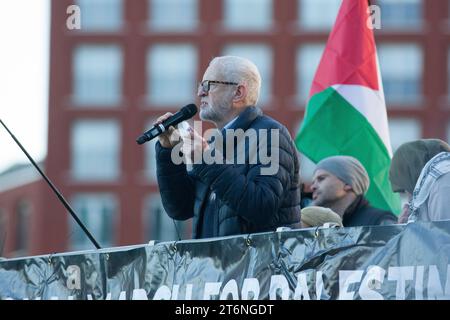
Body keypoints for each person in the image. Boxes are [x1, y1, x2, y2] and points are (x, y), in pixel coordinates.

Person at [155, 56, 301, 239]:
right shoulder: (218, 144)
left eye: (208, 85)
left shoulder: (270, 134)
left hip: (257, 267)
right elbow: (180, 208)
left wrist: (206, 159)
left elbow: (262, 206)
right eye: (200, 85)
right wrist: (167, 152)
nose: (201, 92)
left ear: (238, 93)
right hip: (212, 266)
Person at [310, 155, 397, 227]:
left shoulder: (379, 221)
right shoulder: (313, 226)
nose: (312, 187)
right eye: (313, 182)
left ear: (348, 183)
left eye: (321, 179)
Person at [389, 139, 450, 223]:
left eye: (405, 188)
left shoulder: (442, 186)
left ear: (413, 173)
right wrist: (406, 228)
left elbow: (442, 233)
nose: (408, 198)